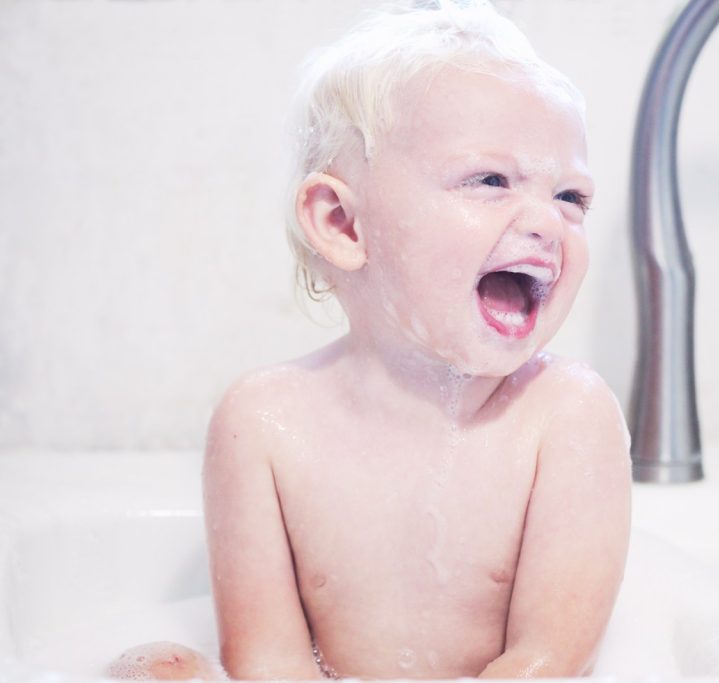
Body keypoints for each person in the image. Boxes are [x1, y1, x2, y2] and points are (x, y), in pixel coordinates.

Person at [109, 1, 630, 679]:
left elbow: (547, 661)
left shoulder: (565, 418)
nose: (546, 222)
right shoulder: (263, 425)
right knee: (153, 667)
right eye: (490, 180)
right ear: (343, 225)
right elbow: (267, 660)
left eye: (570, 197)